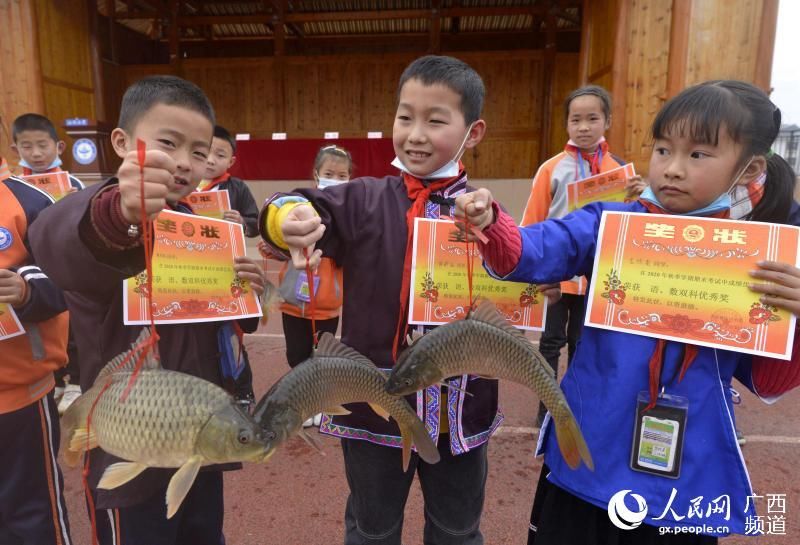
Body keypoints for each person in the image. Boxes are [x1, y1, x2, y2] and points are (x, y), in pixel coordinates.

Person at [455, 80, 800, 544]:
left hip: (686, 481)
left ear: (749, 167)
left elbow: (768, 379)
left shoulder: (761, 257)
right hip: (589, 455)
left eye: (698, 155)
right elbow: (540, 248)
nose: (672, 169)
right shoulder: (613, 224)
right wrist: (491, 222)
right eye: (663, 149)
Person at [260, 55, 499, 544]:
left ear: (472, 132)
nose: (414, 133)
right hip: (373, 412)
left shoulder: (487, 214)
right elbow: (297, 203)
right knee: (373, 529)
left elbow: (519, 276)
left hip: (461, 410)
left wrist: (498, 232)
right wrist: (287, 218)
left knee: (457, 529)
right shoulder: (362, 200)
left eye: (435, 120)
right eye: (404, 116)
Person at [29, 75, 268, 545]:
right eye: (168, 142)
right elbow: (53, 241)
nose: (185, 161)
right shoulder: (102, 209)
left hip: (199, 433)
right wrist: (118, 216)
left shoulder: (205, 230)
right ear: (121, 142)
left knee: (204, 534)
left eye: (199, 152)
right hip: (127, 428)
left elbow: (231, 327)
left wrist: (245, 292)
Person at [520, 86, 642, 425]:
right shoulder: (552, 169)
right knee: (550, 343)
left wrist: (638, 199)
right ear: (566, 124)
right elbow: (533, 220)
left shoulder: (621, 172)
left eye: (592, 118)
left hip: (598, 278)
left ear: (607, 121)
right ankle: (545, 412)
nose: (584, 127)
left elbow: (632, 224)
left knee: (583, 344)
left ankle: (574, 407)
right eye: (576, 119)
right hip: (558, 277)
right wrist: (537, 268)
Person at [0, 173, 72, 543]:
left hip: (20, 398)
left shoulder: (27, 200)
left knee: (33, 516)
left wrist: (25, 290)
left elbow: (66, 276)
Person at [267, 144, 350, 427]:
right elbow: (273, 243)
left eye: (342, 176)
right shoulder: (298, 205)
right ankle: (304, 403)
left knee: (322, 358)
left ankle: (319, 403)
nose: (336, 180)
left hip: (327, 305)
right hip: (293, 301)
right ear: (316, 174)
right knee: (297, 355)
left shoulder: (350, 213)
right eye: (330, 173)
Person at [11, 112, 86, 414]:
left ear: (59, 147)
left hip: (69, 270)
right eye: (27, 147)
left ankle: (78, 383)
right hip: (34, 273)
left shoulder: (73, 183)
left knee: (75, 327)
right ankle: (56, 382)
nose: (37, 153)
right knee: (43, 327)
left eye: (42, 145)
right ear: (15, 150)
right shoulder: (14, 187)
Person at [199, 124, 261, 407]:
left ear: (231, 161)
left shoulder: (236, 188)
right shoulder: (182, 185)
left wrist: (243, 223)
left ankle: (242, 391)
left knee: (231, 335)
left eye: (219, 154)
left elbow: (256, 223)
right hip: (192, 275)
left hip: (228, 274)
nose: (211, 159)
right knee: (198, 338)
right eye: (205, 151)